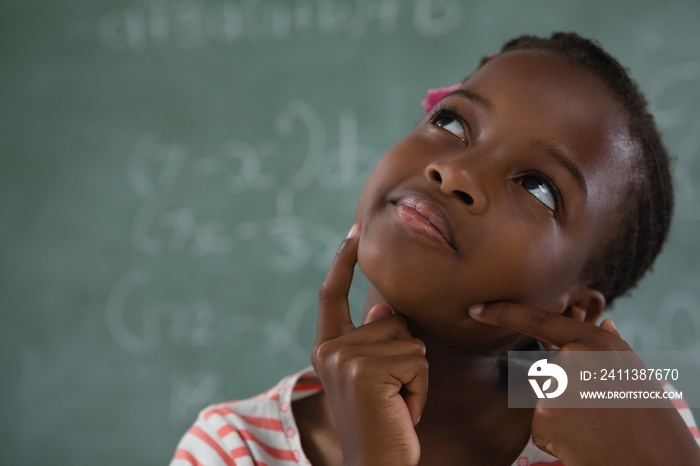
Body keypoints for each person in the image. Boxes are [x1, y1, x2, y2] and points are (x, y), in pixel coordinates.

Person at [169, 32, 700, 465]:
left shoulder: (629, 427)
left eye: (537, 186)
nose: (456, 171)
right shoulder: (233, 447)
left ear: (575, 308)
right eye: (451, 121)